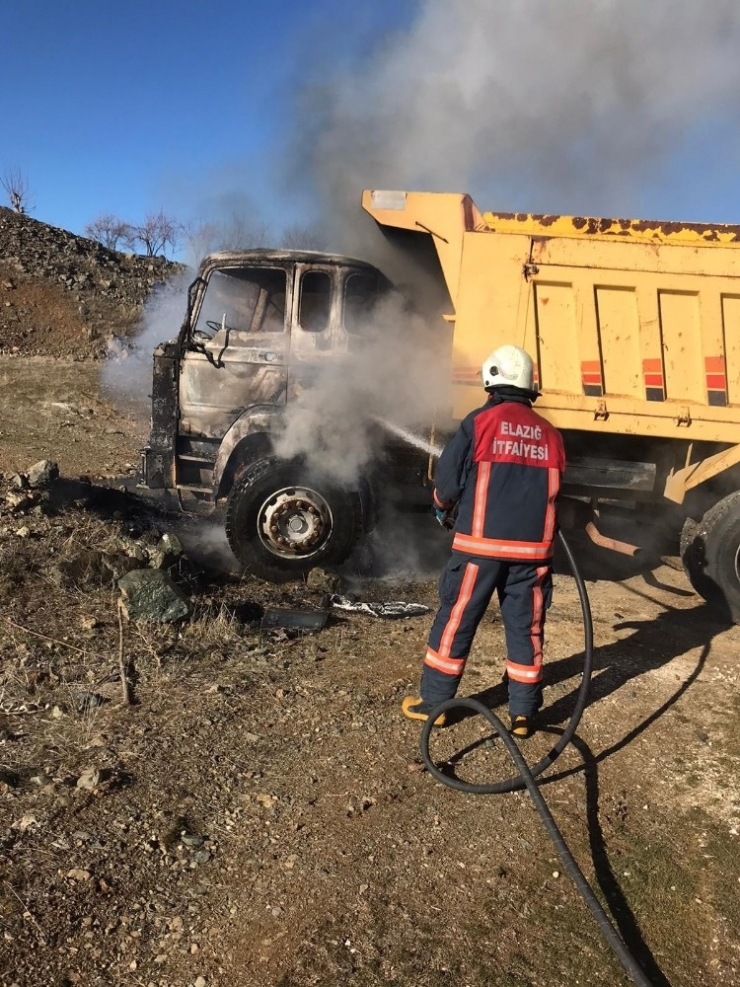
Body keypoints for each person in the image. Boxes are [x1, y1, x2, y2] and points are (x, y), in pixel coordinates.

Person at [401, 344, 566, 738]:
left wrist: (441, 506)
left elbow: (448, 480)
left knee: (457, 620)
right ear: (529, 386)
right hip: (533, 554)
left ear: (492, 379)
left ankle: (436, 705)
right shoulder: (550, 434)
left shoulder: (479, 422)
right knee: (526, 628)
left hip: (479, 550)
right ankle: (523, 713)